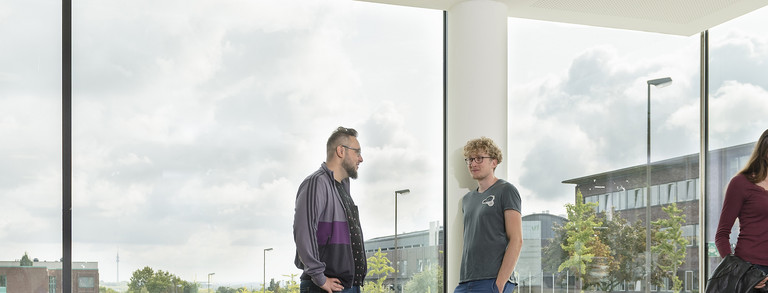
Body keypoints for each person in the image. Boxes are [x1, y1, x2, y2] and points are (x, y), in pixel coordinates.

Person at [293, 127, 366, 293]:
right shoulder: (316, 183)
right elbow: (303, 232)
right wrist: (319, 277)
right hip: (323, 287)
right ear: (341, 151)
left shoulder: (343, 188)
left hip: (347, 286)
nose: (361, 158)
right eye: (357, 152)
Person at [455, 137, 523, 293]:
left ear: (494, 162)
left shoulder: (506, 190)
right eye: (470, 159)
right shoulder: (467, 200)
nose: (473, 163)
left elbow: (517, 240)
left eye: (479, 158)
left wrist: (499, 285)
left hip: (492, 281)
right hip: (466, 281)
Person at [715, 129, 768, 289]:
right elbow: (721, 235)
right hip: (752, 270)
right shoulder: (740, 183)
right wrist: (741, 272)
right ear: (764, 152)